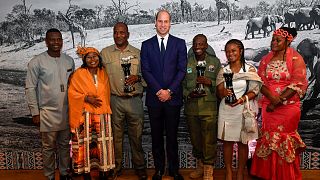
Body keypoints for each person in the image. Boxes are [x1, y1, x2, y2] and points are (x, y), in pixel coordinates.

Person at [250, 27, 307, 180]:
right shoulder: (266, 59)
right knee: (268, 138)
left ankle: (284, 175)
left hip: (288, 108)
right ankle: (268, 175)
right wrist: (272, 100)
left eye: (278, 40)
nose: (274, 43)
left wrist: (278, 101)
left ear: (288, 41)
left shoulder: (296, 59)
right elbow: (260, 81)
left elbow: (297, 83)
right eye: (272, 39)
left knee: (284, 138)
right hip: (269, 108)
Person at [140, 10, 187, 180]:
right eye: (160, 21)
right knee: (157, 136)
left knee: (172, 136)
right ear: (155, 23)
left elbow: (182, 70)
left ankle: (174, 170)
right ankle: (159, 169)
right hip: (154, 99)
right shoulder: (146, 45)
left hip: (173, 99)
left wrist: (170, 91)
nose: (163, 24)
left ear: (170, 23)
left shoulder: (180, 43)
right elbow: (146, 70)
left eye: (166, 21)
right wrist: (159, 91)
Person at [25, 28, 75, 180]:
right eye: (52, 40)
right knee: (48, 148)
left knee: (65, 146)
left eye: (59, 39)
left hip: (66, 111)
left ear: (62, 41)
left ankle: (65, 173)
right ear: (46, 42)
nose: (56, 42)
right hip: (47, 113)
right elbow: (30, 87)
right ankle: (49, 176)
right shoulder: (36, 62)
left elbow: (75, 86)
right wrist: (35, 112)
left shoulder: (69, 60)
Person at [100, 22, 147, 180]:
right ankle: (116, 167)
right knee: (115, 137)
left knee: (137, 136)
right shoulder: (105, 54)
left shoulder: (139, 53)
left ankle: (140, 167)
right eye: (116, 32)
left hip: (134, 100)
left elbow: (148, 78)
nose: (118, 35)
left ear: (128, 34)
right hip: (114, 100)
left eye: (122, 32)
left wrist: (138, 77)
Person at [216, 39, 262, 180]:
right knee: (227, 142)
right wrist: (224, 93)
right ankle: (229, 171)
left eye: (233, 50)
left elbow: (255, 90)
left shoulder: (250, 70)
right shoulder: (224, 70)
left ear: (240, 51)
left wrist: (242, 99)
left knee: (243, 142)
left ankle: (241, 171)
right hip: (227, 110)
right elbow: (219, 91)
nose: (230, 54)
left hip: (242, 109)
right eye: (228, 51)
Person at [68, 46, 115, 180]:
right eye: (89, 57)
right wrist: (86, 98)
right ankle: (86, 172)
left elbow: (105, 93)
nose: (92, 59)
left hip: (102, 115)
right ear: (84, 59)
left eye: (95, 56)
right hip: (85, 115)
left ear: (99, 58)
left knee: (101, 144)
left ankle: (103, 171)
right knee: (85, 144)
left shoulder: (103, 73)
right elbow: (71, 93)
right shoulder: (78, 74)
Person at [182, 34, 221, 179]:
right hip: (192, 108)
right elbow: (182, 86)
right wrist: (189, 94)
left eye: (201, 44)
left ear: (206, 45)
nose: (198, 47)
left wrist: (209, 82)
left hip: (209, 109)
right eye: (195, 44)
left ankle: (208, 170)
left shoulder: (215, 62)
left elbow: (221, 85)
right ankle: (200, 166)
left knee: (209, 140)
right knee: (196, 139)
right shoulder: (186, 63)